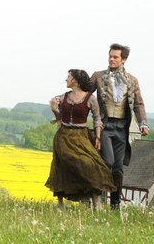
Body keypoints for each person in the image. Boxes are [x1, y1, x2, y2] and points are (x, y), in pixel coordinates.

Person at [90, 43, 149, 209]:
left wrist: (143, 123)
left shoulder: (132, 80)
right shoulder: (98, 76)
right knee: (107, 162)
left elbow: (138, 104)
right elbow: (84, 93)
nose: (111, 59)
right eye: (110, 56)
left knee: (118, 168)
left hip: (122, 128)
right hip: (105, 126)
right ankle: (97, 200)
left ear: (123, 60)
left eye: (115, 57)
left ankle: (115, 205)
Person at [45, 70, 115, 208]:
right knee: (61, 166)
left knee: (91, 164)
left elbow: (97, 119)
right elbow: (59, 118)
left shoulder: (90, 98)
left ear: (76, 80)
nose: (66, 79)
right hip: (64, 136)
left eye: (69, 77)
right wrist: (54, 108)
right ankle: (60, 203)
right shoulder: (62, 97)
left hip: (82, 136)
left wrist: (98, 137)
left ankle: (95, 200)